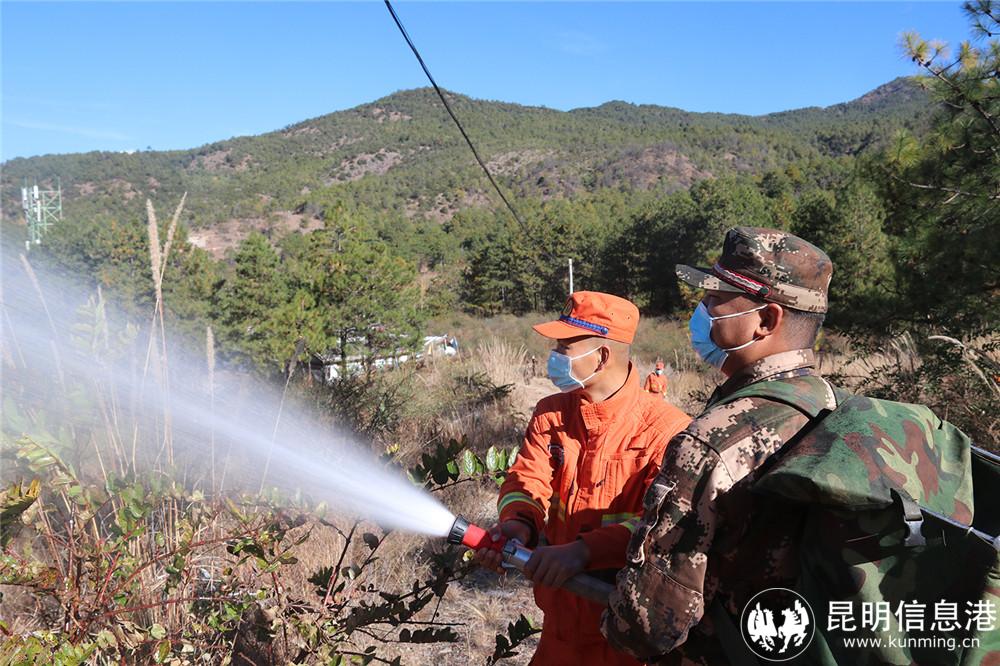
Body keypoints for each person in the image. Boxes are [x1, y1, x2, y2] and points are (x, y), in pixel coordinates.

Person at [602, 227, 835, 663]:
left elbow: (649, 625)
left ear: (766, 320)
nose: (702, 309)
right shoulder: (829, 404)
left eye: (715, 298)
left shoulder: (709, 442)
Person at [478, 291, 691, 666]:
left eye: (565, 345)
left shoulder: (668, 431)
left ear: (603, 355)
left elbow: (659, 526)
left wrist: (584, 552)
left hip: (624, 636)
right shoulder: (551, 414)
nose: (555, 356)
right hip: (559, 630)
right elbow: (527, 479)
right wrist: (517, 527)